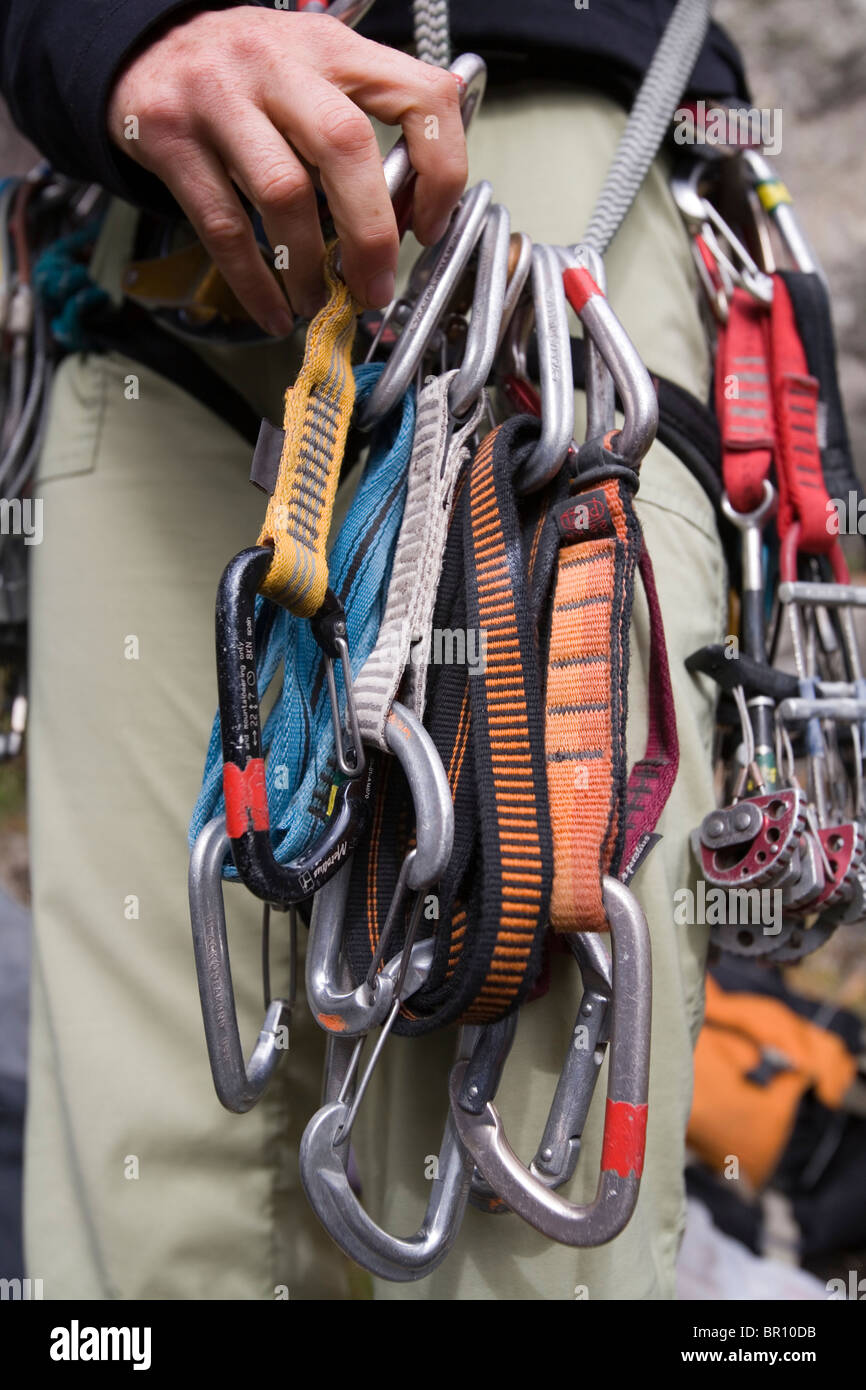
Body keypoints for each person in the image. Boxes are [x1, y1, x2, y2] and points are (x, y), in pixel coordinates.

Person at [1, 1, 746, 1299]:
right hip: (142, 216)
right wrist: (119, 38)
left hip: (541, 156)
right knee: (142, 1204)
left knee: (524, 1203)